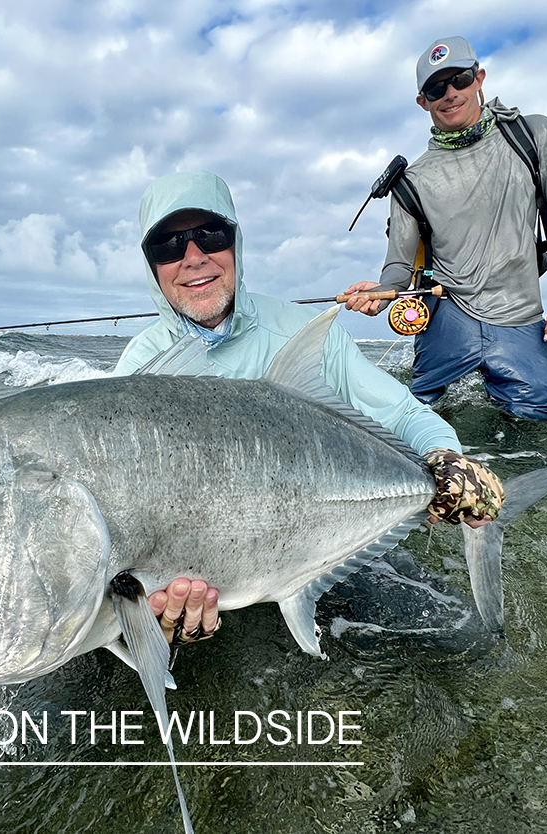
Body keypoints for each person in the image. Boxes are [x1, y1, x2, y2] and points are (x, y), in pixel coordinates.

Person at [114, 170, 505, 645]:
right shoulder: (138, 371)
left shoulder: (302, 332)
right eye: (168, 246)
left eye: (209, 236)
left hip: (325, 542)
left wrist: (448, 460)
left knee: (461, 641)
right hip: (205, 575)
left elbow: (403, 414)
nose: (193, 258)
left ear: (235, 244)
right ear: (151, 264)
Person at [345, 35, 547, 420]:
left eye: (459, 78)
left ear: (479, 78)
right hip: (446, 315)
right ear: (422, 101)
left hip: (519, 315)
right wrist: (382, 291)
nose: (450, 93)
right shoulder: (410, 181)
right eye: (435, 88)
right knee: (416, 425)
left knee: (545, 420)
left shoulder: (532, 135)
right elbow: (398, 264)